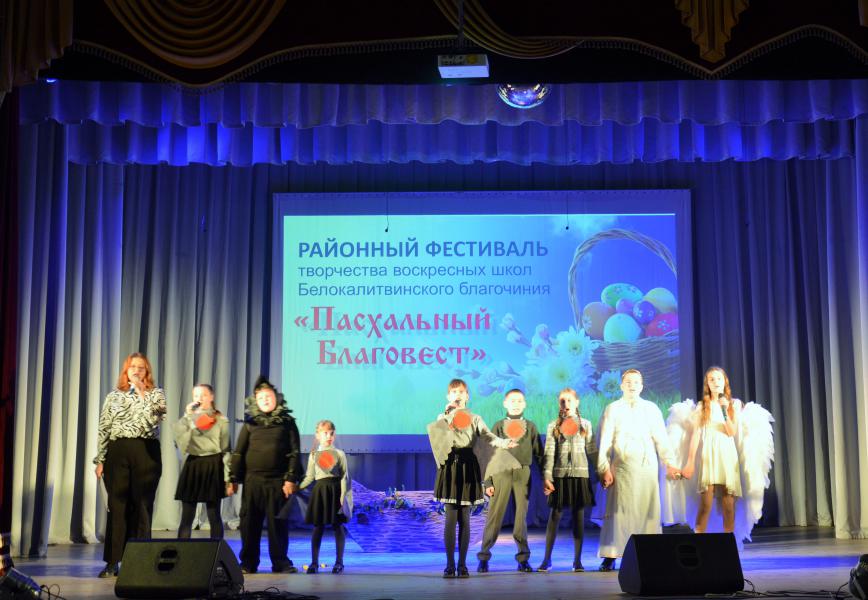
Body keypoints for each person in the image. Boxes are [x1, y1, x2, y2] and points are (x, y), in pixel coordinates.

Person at [427, 378, 517, 579]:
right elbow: (438, 437)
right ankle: (449, 565)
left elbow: (487, 436)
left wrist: (504, 443)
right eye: (454, 392)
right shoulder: (443, 417)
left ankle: (462, 564)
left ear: (467, 396)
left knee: (464, 519)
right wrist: (448, 414)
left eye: (461, 392)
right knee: (450, 518)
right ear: (448, 396)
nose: (457, 395)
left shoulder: (475, 418)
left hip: (468, 467)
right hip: (450, 467)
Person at [596, 369, 680, 572]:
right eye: (628, 382)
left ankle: (649, 552)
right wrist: (603, 468)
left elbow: (661, 438)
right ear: (621, 386)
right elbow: (604, 440)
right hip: (622, 467)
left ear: (642, 386)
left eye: (636, 382)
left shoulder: (651, 408)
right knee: (619, 511)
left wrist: (670, 462)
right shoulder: (613, 409)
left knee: (647, 509)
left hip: (646, 467)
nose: (632, 385)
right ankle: (612, 554)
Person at [93, 352, 167, 578]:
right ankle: (112, 562)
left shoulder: (156, 394)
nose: (136, 370)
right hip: (118, 452)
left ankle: (140, 561)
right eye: (132, 367)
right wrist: (100, 459)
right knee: (117, 506)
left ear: (147, 372)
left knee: (142, 506)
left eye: (141, 367)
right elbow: (104, 428)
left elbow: (151, 422)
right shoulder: (113, 396)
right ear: (126, 371)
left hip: (146, 451)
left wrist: (142, 394)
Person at [229, 376, 301, 574]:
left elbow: (295, 452)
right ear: (255, 401)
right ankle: (248, 563)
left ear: (276, 398)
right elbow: (239, 452)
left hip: (278, 482)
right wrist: (233, 478)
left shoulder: (287, 423)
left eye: (268, 396)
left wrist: (290, 478)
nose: (265, 400)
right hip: (253, 481)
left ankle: (281, 563)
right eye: (261, 398)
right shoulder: (250, 423)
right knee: (249, 524)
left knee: (278, 524)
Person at [476, 389, 543, 573]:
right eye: (512, 401)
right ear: (505, 403)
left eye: (519, 401)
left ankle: (523, 558)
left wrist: (547, 478)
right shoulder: (498, 426)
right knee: (495, 515)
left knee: (521, 517)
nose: (516, 404)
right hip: (501, 472)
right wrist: (488, 482)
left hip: (523, 473)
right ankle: (484, 556)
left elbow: (539, 454)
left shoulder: (530, 427)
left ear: (525, 404)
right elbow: (488, 454)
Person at [538, 387, 598, 573]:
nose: (566, 404)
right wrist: (547, 476)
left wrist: (602, 471)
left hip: (580, 476)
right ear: (559, 404)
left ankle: (577, 561)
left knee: (578, 517)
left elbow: (592, 450)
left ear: (577, 402)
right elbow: (549, 453)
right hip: (560, 476)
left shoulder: (585, 424)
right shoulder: (553, 426)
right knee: (555, 515)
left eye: (569, 400)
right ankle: (547, 559)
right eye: (562, 401)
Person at [172, 383, 233, 539]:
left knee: (214, 514)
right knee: (187, 516)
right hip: (193, 465)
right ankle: (182, 551)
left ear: (211, 397)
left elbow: (226, 450)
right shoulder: (189, 418)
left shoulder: (221, 419)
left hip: (213, 465)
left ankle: (216, 551)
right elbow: (178, 438)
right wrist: (187, 415)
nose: (199, 398)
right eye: (196, 395)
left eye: (203, 395)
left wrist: (228, 478)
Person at [298, 420, 352, 574]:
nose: (329, 436)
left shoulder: (339, 454)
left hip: (335, 492)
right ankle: (314, 562)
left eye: (331, 433)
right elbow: (310, 477)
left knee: (337, 526)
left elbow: (344, 477)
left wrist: (343, 496)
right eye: (325, 433)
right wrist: (297, 487)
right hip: (320, 492)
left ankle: (339, 562)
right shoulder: (314, 455)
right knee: (318, 527)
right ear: (318, 435)